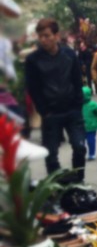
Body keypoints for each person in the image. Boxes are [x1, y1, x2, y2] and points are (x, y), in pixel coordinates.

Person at [25, 18, 87, 181]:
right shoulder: (33, 60)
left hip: (72, 110)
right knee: (51, 154)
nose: (43, 39)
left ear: (56, 35)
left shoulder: (69, 54)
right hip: (50, 113)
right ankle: (57, 186)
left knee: (79, 147)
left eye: (46, 35)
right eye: (40, 36)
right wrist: (44, 111)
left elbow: (77, 79)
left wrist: (78, 103)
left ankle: (78, 182)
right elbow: (33, 88)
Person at [81, 86, 97, 160]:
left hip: (81, 126)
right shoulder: (92, 104)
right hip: (91, 127)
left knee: (81, 142)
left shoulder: (78, 104)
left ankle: (83, 154)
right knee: (91, 141)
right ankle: (92, 154)